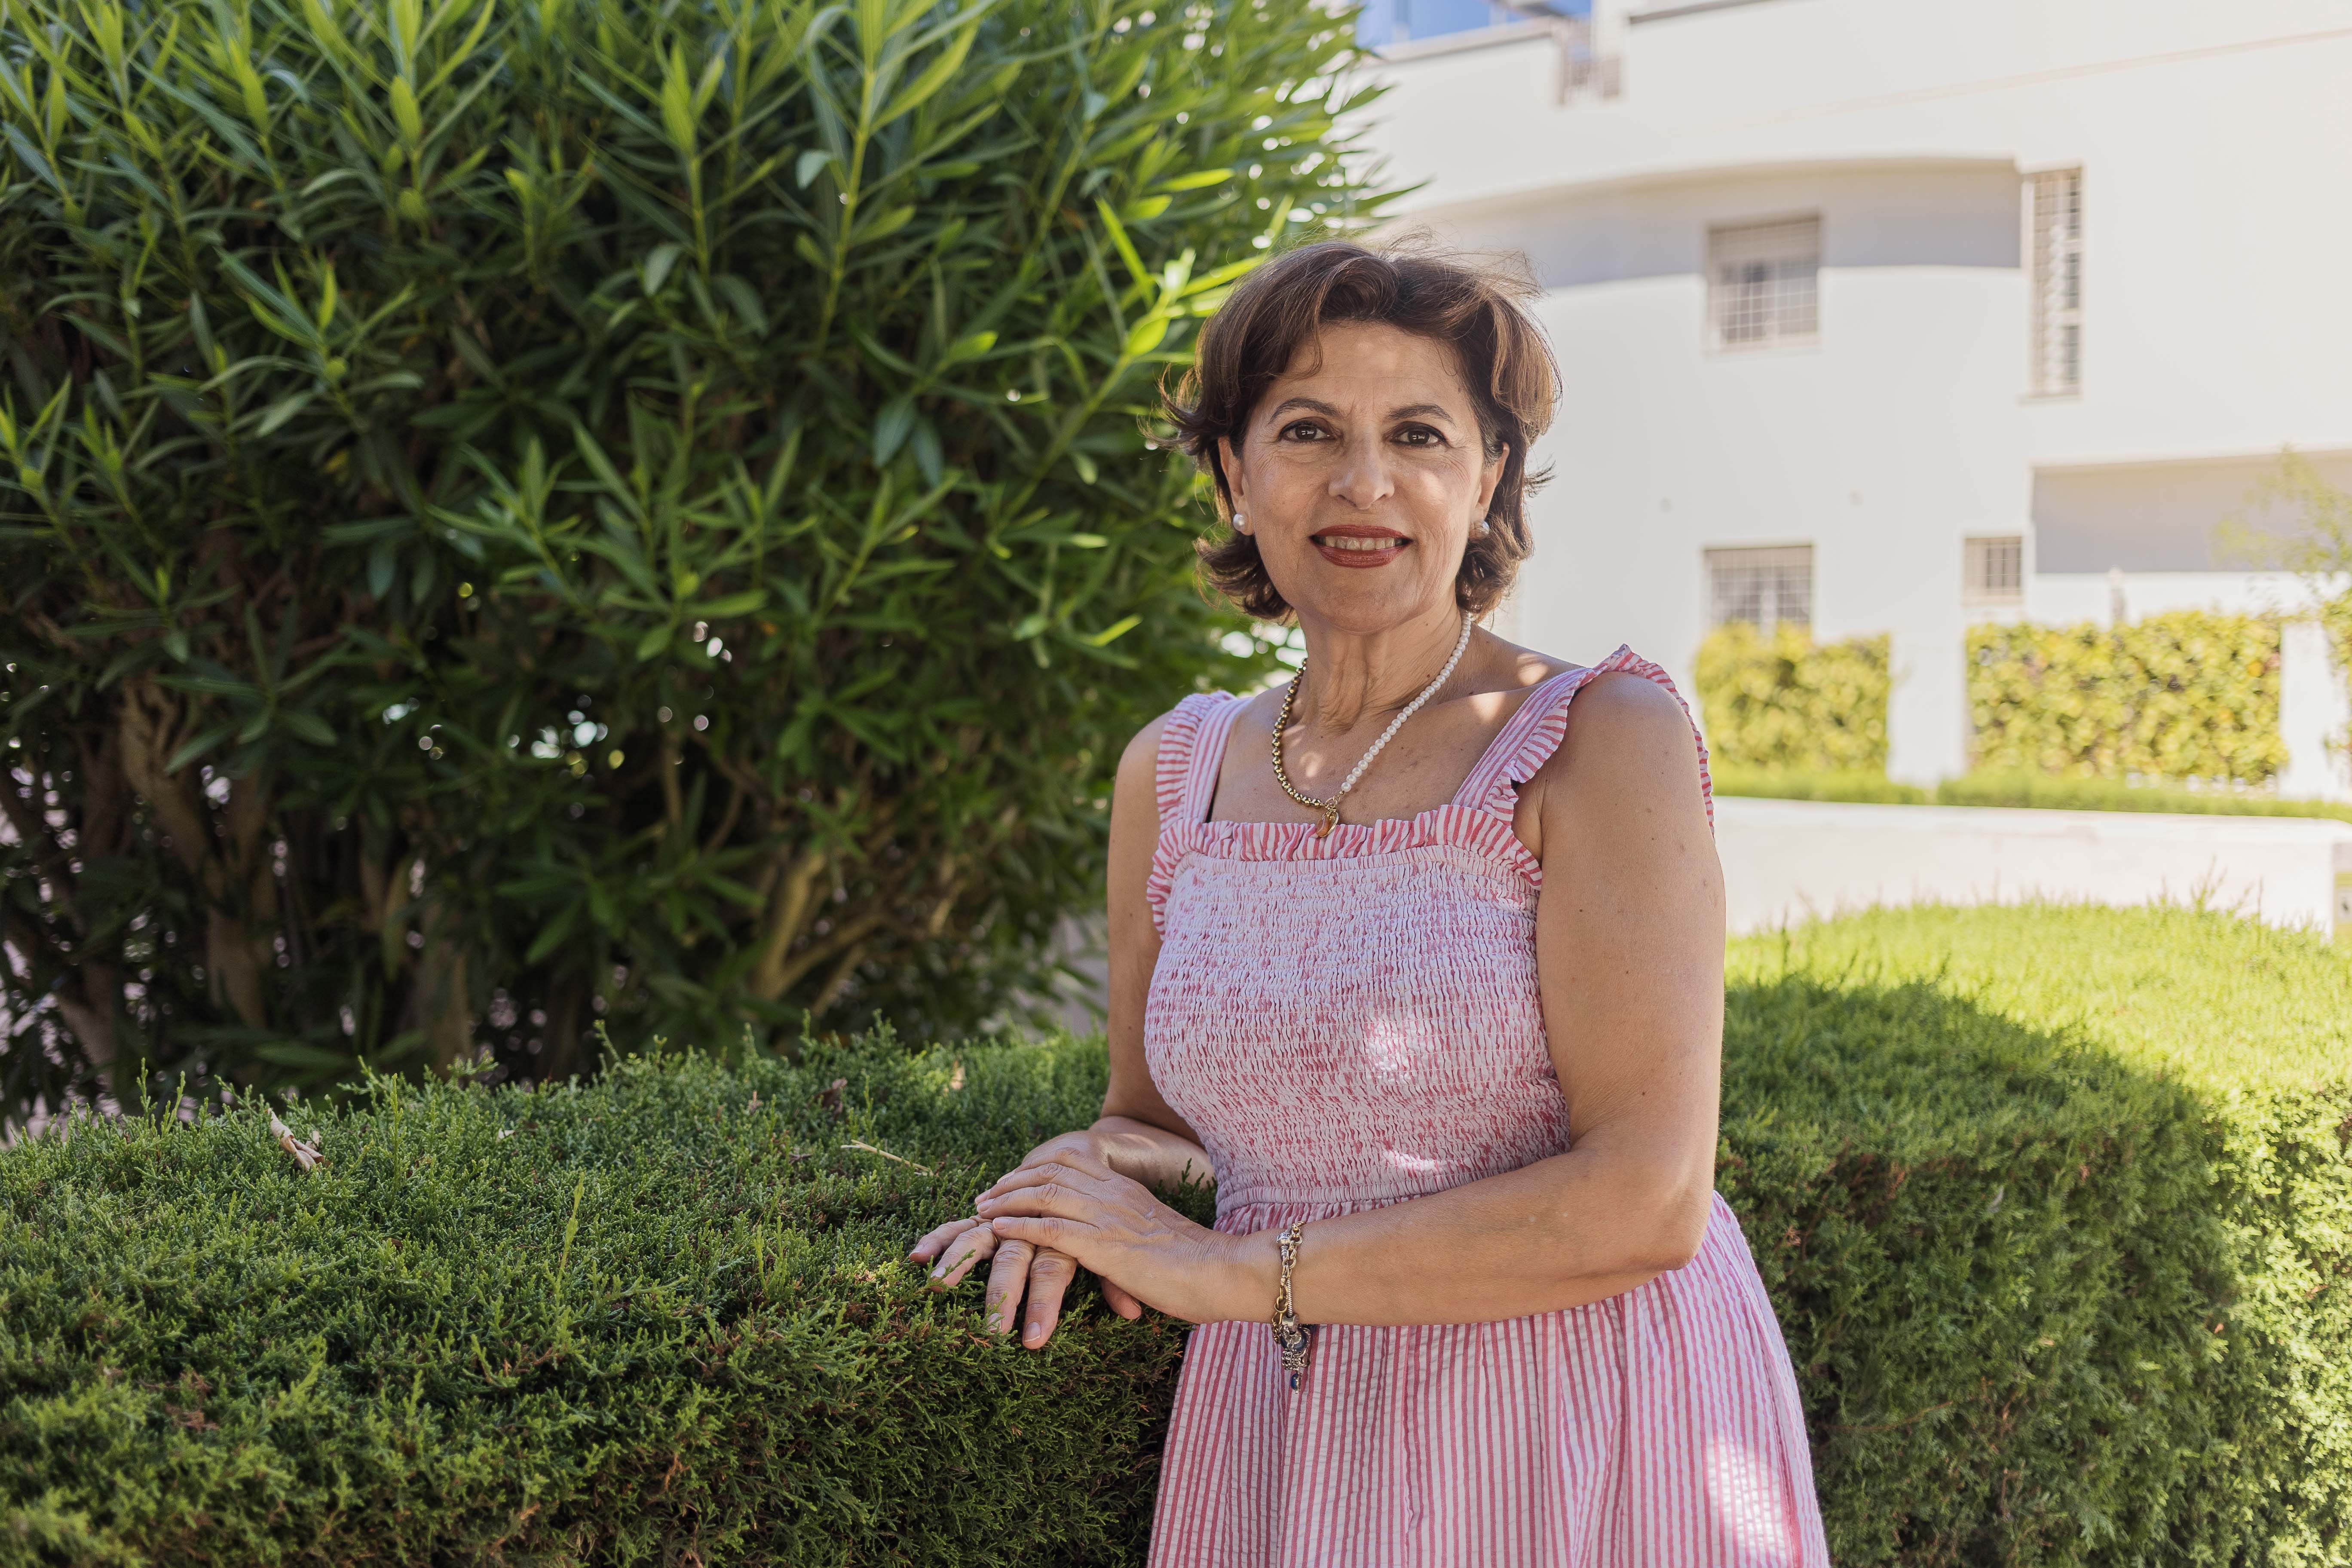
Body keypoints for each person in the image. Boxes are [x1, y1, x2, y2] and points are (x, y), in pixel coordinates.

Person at [908, 240, 1828, 1566]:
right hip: (1287, 1437)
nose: (1364, 483)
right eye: (1306, 430)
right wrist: (1076, 1186)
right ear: (1233, 472)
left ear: (1489, 475)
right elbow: (1165, 1127)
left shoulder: (1594, 738)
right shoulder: (1173, 774)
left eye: (1418, 433)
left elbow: (1649, 1199)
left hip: (1578, 1428)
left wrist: (1226, 1277)